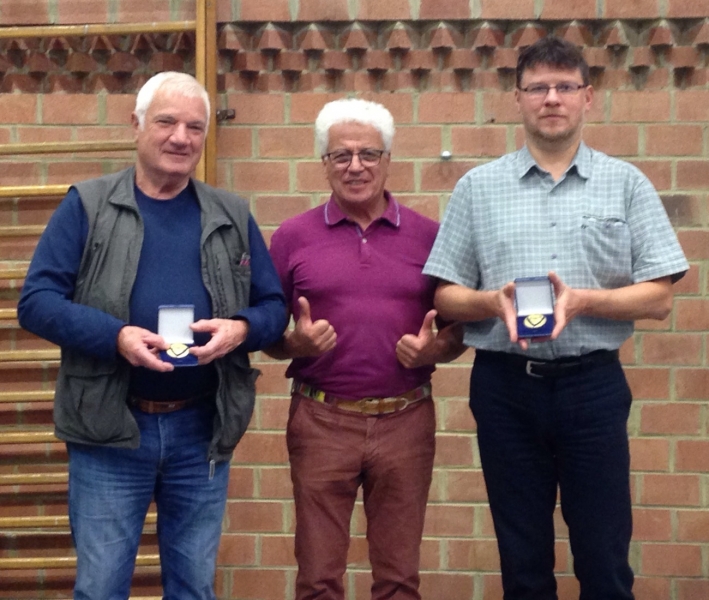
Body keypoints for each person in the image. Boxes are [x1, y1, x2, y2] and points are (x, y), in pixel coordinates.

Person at [423, 37, 688, 600]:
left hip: (592, 388)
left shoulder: (627, 184)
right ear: (517, 98)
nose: (551, 99)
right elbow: (445, 296)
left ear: (588, 98)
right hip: (504, 390)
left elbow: (660, 296)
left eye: (565, 87)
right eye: (538, 87)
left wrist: (584, 301)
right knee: (522, 563)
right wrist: (494, 302)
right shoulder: (478, 188)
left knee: (604, 558)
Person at [17, 71, 287, 600]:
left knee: (193, 589)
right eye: (166, 122)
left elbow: (274, 308)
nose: (180, 138)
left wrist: (241, 329)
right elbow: (37, 303)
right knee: (100, 589)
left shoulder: (231, 213)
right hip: (110, 430)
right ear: (136, 124)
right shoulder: (88, 206)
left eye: (194, 127)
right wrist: (115, 336)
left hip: (200, 430)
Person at [266, 98, 464, 600]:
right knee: (318, 578)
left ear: (388, 159)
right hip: (321, 422)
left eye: (368, 153)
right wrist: (296, 343)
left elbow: (459, 333)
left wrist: (431, 353)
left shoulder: (429, 237)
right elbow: (266, 332)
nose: (356, 166)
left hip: (406, 423)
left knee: (399, 579)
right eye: (341, 155)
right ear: (324, 164)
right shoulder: (292, 237)